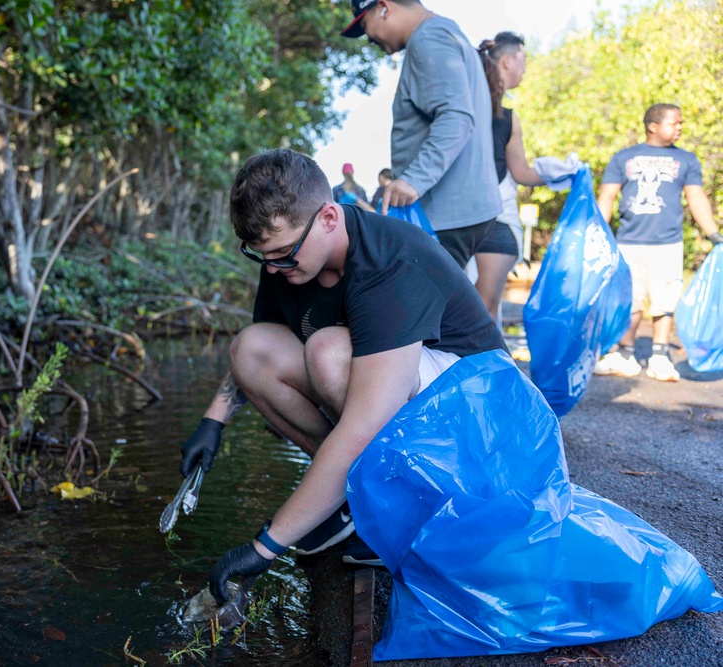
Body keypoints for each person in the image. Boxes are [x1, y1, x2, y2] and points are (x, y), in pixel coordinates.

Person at [176, 149, 508, 603]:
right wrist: (213, 421)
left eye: (282, 254)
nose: (274, 269)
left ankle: (395, 507)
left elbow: (363, 423)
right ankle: (360, 501)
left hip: (484, 416)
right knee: (251, 348)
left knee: (329, 351)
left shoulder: (389, 259)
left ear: (329, 217)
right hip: (404, 401)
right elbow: (258, 352)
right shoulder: (289, 259)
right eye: (262, 257)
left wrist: (265, 546)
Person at [342, 0, 502, 269]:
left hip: (446, 216)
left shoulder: (428, 38)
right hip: (461, 210)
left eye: (365, 25)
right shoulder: (446, 32)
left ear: (383, 7)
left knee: (423, 307)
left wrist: (413, 181)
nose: (368, 38)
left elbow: (456, 117)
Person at [594, 104, 723, 382]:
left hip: (667, 243)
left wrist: (714, 234)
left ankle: (660, 356)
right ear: (653, 125)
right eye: (674, 123)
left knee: (665, 300)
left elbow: (696, 198)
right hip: (628, 242)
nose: (680, 128)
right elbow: (607, 197)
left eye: (680, 123)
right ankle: (625, 353)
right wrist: (598, 233)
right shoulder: (624, 157)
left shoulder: (686, 160)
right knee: (630, 299)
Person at [473, 32, 580, 323]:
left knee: (484, 310)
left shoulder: (508, 118)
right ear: (507, 62)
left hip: (496, 219)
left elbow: (520, 172)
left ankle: (488, 366)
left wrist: (561, 173)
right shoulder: (464, 105)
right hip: (468, 218)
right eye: (523, 61)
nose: (525, 69)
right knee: (479, 309)